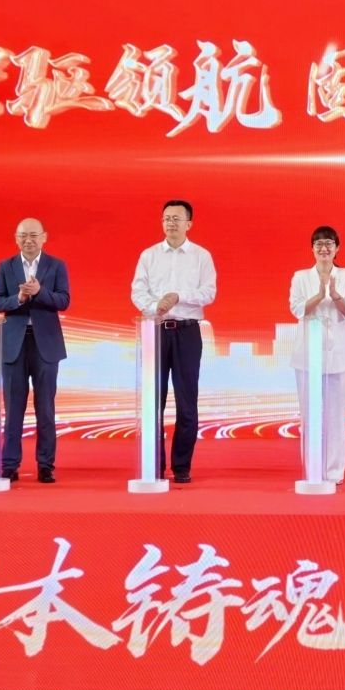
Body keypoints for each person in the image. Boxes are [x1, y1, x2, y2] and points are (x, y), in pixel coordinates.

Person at [131, 198, 216, 484]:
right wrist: (156, 306)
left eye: (177, 218)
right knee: (153, 401)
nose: (171, 223)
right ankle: (154, 464)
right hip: (155, 331)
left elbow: (208, 293)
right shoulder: (149, 255)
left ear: (189, 223)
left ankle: (181, 466)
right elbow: (137, 292)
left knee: (186, 402)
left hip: (187, 332)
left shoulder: (201, 256)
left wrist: (178, 297)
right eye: (167, 218)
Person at [0, 217, 69, 483]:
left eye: (34, 235)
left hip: (46, 344)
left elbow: (64, 300)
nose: (28, 240)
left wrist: (39, 292)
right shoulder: (6, 266)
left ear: (44, 237)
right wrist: (19, 298)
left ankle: (45, 465)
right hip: (13, 344)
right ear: (16, 238)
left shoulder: (56, 265)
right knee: (13, 408)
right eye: (23, 235)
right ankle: (10, 464)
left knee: (45, 407)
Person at [288, 225, 345, 484]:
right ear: (312, 248)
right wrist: (319, 295)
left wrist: (336, 295)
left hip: (338, 354)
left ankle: (334, 471)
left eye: (329, 243)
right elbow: (297, 309)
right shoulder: (300, 277)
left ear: (337, 248)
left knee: (335, 415)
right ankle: (313, 469)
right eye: (318, 244)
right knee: (310, 414)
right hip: (308, 354)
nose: (324, 248)